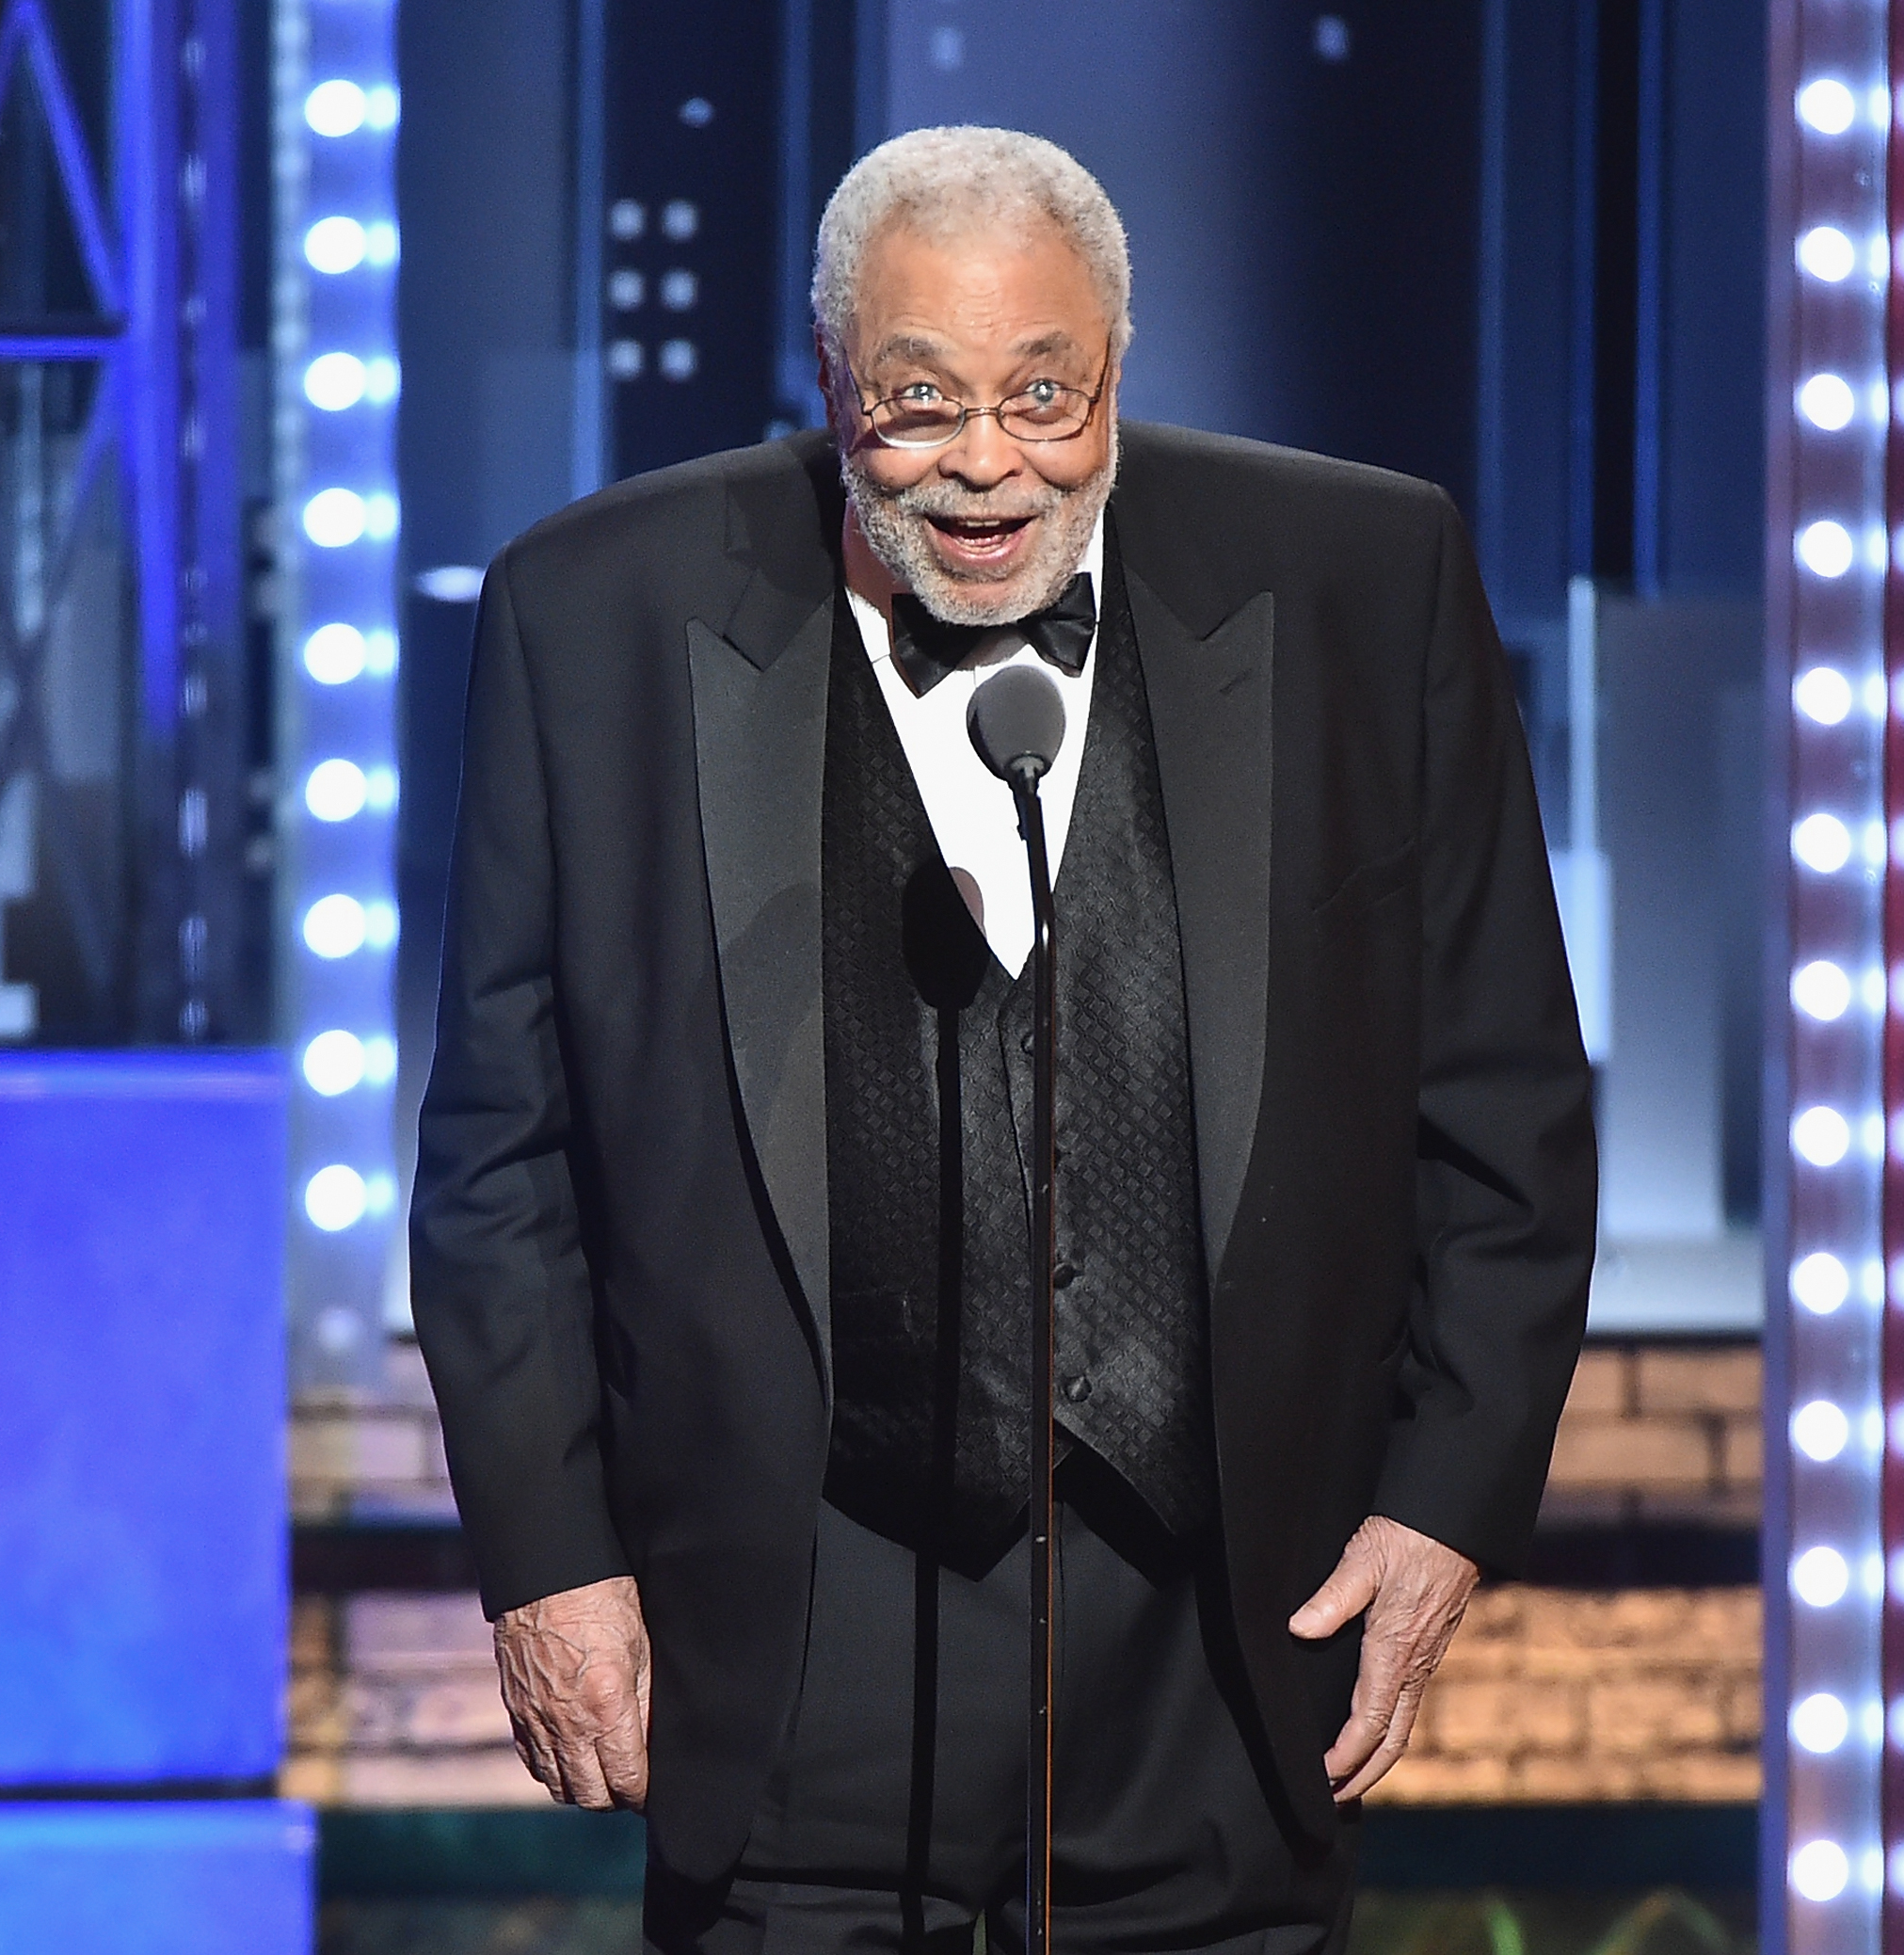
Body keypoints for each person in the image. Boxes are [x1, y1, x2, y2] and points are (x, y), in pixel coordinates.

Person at [411, 124, 1595, 1955]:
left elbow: (1506, 1100)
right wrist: (551, 1553)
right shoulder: (595, 618)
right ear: (828, 383)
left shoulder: (1370, 581)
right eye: (921, 400)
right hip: (792, 1656)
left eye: (1046, 395)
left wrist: (1447, 1496)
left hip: (1210, 1656)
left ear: (1120, 365)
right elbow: (499, 1156)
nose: (986, 462)